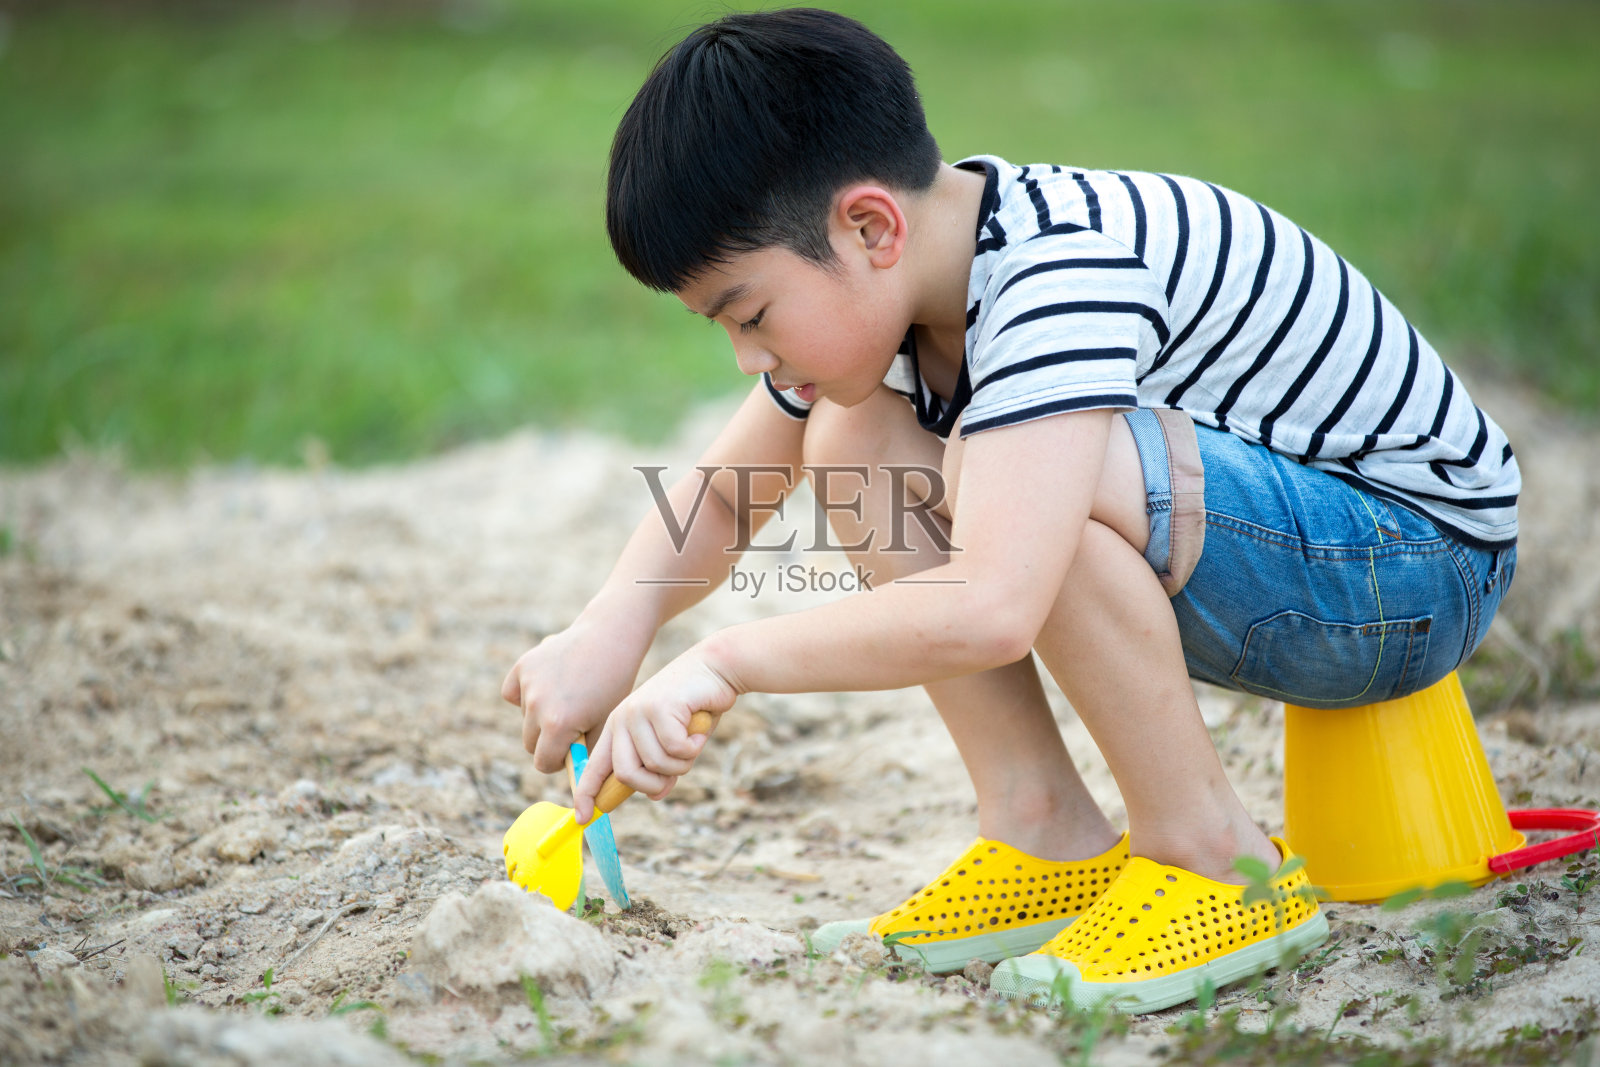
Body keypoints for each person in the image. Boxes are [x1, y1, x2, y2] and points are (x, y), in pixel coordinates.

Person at [501, 7, 1518, 1013]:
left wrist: (725, 661)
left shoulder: (1055, 272)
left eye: (751, 314)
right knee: (854, 441)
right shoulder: (909, 281)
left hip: (1413, 567)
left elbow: (995, 600)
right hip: (1290, 557)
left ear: (868, 225)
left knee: (1034, 489)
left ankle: (1214, 855)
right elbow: (728, 496)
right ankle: (1044, 830)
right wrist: (612, 627)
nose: (748, 357)